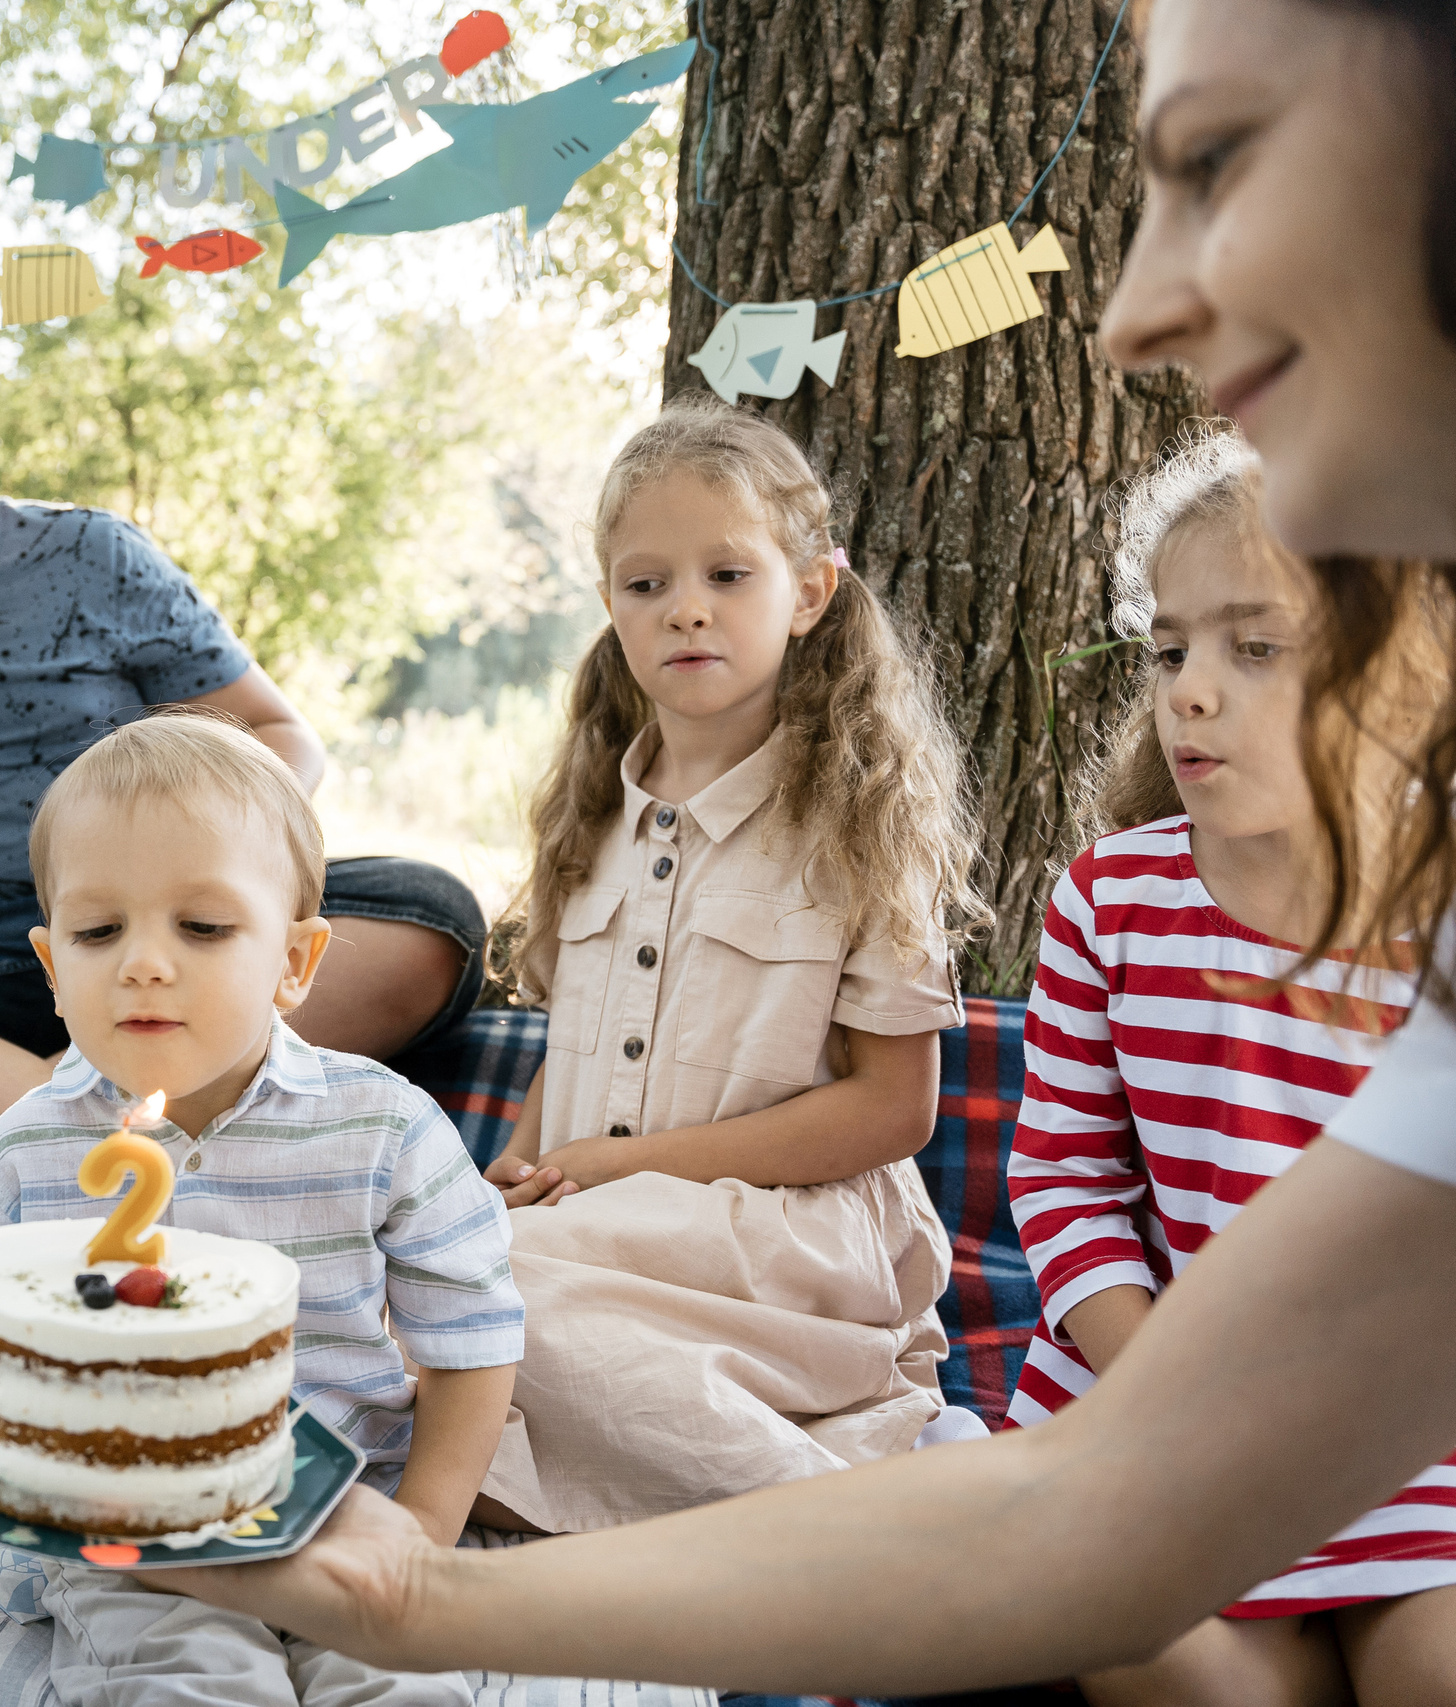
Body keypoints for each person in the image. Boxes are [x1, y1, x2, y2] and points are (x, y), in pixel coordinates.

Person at [151, 0, 1456, 1694]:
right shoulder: (1118, 901)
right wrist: (404, 1606)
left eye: (1218, 162)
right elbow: (1091, 1500)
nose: (1137, 311)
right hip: (1151, 1452)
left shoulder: (875, 826)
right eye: (1169, 645)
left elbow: (917, 1153)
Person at [0, 292, 486, 1220]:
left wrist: (200, 879)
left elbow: (283, 738)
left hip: (155, 936)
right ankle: (135, 1150)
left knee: (427, 917)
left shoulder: (93, 556)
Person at [0, 710, 521, 1707]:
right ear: (53, 968)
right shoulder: (24, 1152)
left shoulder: (383, 1128)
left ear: (295, 963)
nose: (144, 963)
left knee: (401, 1684)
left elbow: (475, 1336)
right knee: (186, 1678)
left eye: (201, 927)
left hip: (343, 1507)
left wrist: (424, 1531)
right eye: (99, 931)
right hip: (128, 1534)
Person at [471, 399, 985, 1533]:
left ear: (808, 592)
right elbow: (572, 1048)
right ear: (609, 605)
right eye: (646, 583)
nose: (686, 607)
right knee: (437, 1282)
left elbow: (894, 1109)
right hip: (604, 1228)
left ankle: (875, 1513)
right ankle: (792, 1492)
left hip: (781, 1241)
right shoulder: (589, 815)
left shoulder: (856, 819)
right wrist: (521, 1166)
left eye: (728, 574)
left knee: (482, 1304)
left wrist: (630, 1168)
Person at [1005, 429, 1453, 1702]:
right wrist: (1173, 1401)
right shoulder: (1110, 899)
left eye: (1253, 648)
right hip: (1157, 1417)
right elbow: (1064, 1181)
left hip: (1409, 1445)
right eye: (1169, 650)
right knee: (1144, 1655)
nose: (1188, 690)